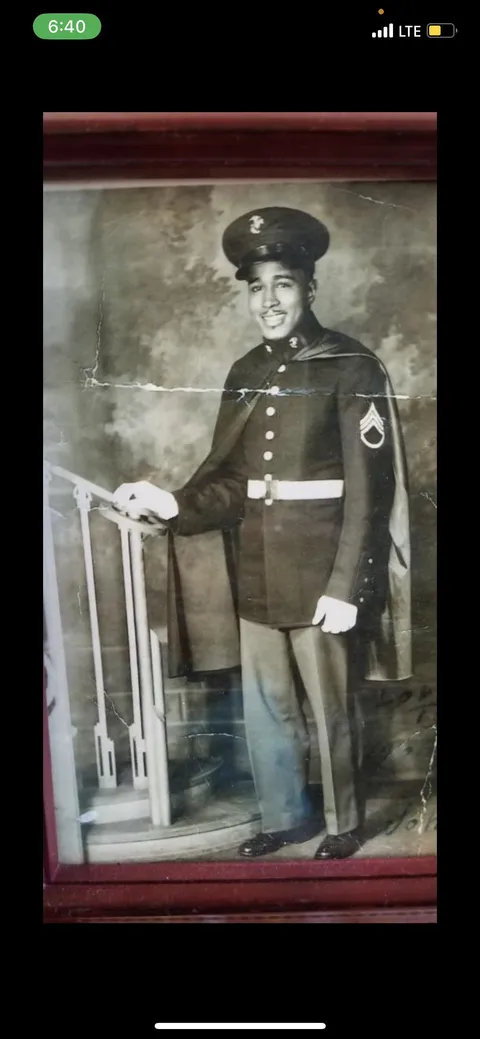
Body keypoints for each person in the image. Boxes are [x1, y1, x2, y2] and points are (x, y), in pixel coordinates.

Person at [113, 206, 412, 860]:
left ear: (310, 288)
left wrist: (346, 586)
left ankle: (341, 823)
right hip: (258, 569)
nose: (268, 300)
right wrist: (171, 501)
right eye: (256, 287)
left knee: (331, 708)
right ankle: (284, 816)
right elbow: (230, 483)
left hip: (321, 575)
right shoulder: (245, 371)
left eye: (282, 283)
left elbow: (370, 492)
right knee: (268, 711)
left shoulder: (351, 367)